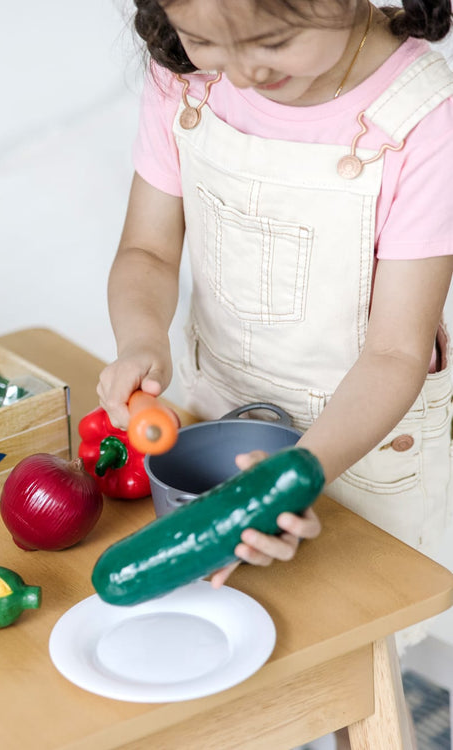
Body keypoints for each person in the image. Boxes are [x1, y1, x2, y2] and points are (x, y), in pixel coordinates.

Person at [98, 0, 453, 589]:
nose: (240, 74)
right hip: (218, 411)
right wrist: (140, 339)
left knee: (358, 619)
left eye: (273, 41)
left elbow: (396, 351)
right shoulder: (185, 82)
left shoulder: (425, 119)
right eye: (204, 40)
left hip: (361, 448)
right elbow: (148, 252)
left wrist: (299, 474)